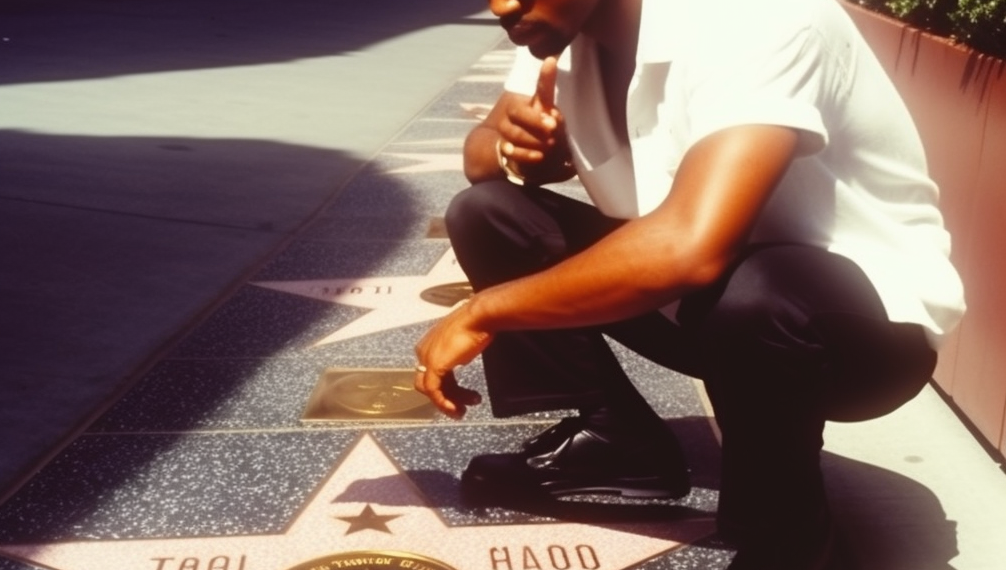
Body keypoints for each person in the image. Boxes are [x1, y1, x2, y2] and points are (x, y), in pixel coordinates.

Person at [414, 0, 966, 567]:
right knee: (488, 214)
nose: (501, 3)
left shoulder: (759, 17)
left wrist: (484, 311)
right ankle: (616, 444)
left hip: (862, 335)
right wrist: (514, 148)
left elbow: (691, 247)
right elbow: (482, 154)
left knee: (757, 294)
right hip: (717, 310)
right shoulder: (562, 27)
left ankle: (791, 538)